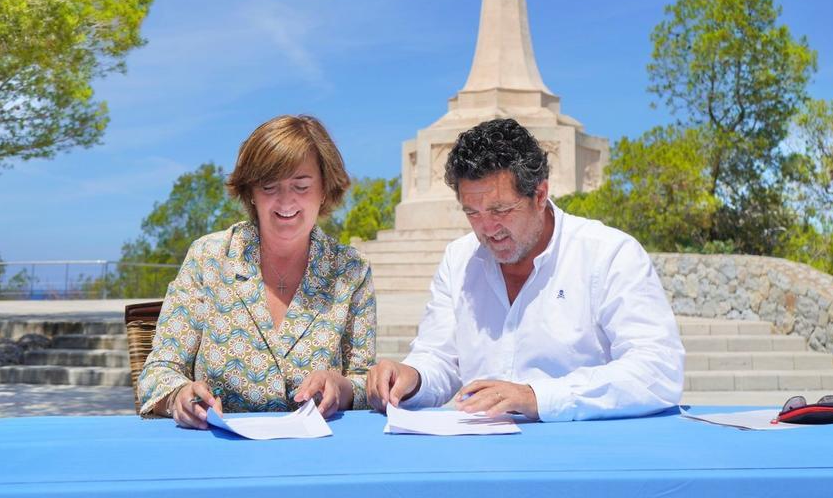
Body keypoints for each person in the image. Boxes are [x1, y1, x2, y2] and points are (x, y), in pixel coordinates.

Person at [367, 118, 684, 422]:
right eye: (472, 213)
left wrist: (538, 397)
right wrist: (413, 376)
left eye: (501, 209)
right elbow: (440, 358)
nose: (488, 228)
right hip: (480, 452)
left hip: (583, 453)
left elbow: (657, 370)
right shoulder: (458, 260)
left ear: (540, 195)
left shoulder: (609, 254)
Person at [138, 115, 376, 428]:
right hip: (219, 448)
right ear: (250, 192)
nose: (286, 200)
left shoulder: (351, 270)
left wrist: (341, 386)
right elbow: (158, 372)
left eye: (301, 186)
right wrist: (179, 395)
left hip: (316, 453)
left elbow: (365, 382)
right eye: (269, 186)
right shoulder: (208, 258)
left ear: (325, 189)